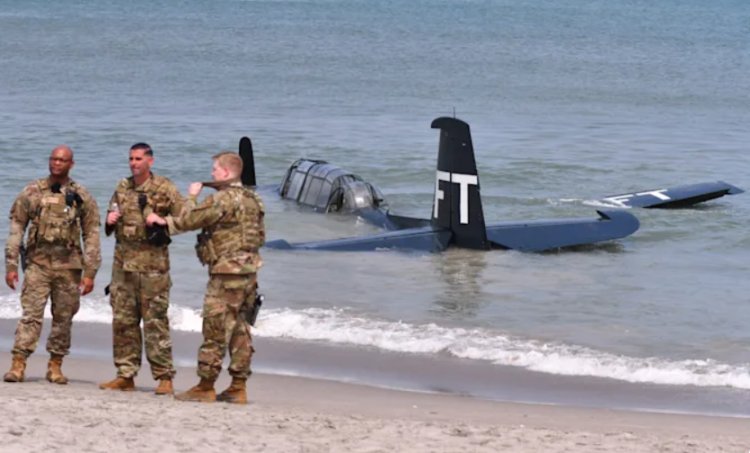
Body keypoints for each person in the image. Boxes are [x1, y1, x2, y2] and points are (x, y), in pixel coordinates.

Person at [148, 151, 264, 404]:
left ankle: (205, 385)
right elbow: (261, 235)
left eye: (214, 170)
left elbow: (189, 220)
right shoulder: (254, 200)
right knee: (241, 330)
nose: (211, 173)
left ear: (224, 172)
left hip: (225, 273)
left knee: (215, 328)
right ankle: (238, 385)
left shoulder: (221, 199)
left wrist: (189, 197)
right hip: (249, 272)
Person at [3, 145, 101, 384]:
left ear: (71, 164)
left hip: (69, 268)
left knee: (64, 318)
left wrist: (90, 272)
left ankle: (55, 365)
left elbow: (92, 234)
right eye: (53, 159)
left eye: (62, 160)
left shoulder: (81, 196)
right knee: (31, 316)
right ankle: (18, 364)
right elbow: (17, 227)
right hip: (38, 264)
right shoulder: (32, 191)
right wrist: (11, 264)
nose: (56, 163)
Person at [98, 143, 183, 395]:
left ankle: (164, 377)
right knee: (123, 322)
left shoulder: (164, 188)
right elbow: (112, 213)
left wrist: (163, 220)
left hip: (152, 268)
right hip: (123, 266)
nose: (133, 163)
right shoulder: (123, 187)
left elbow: (185, 217)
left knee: (155, 322)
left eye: (138, 159)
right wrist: (109, 221)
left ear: (150, 161)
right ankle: (126, 374)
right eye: (131, 159)